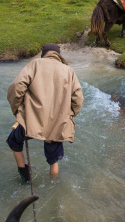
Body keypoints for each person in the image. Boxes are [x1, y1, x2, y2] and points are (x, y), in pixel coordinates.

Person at [6, 43, 84, 181]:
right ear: (59, 55)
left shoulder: (35, 64)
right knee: (53, 159)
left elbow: (17, 86)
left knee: (14, 141)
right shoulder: (69, 70)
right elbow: (78, 99)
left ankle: (24, 173)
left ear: (44, 54)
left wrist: (17, 109)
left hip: (31, 118)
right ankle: (53, 185)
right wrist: (68, 116)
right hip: (57, 122)